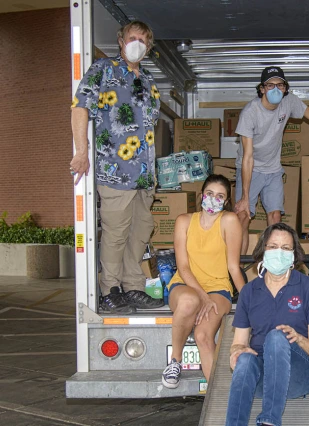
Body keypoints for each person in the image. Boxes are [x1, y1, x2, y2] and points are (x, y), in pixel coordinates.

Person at [70, 21, 163, 313]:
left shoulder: (149, 80)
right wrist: (82, 152)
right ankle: (109, 289)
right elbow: (79, 107)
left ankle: (133, 286)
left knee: (140, 231)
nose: (137, 43)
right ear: (121, 41)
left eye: (143, 40)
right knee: (116, 232)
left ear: (148, 48)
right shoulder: (103, 70)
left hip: (145, 176)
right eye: (132, 38)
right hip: (115, 170)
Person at [233, 66, 309, 254]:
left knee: (275, 217)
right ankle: (237, 266)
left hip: (273, 169)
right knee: (242, 216)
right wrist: (245, 197)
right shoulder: (250, 113)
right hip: (250, 169)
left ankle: (273, 266)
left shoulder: (290, 102)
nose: (276, 89)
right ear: (262, 88)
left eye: (280, 85)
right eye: (270, 85)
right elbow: (248, 157)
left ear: (286, 88)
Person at [225, 223, 309, 426]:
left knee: (276, 336)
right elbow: (238, 343)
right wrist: (236, 353)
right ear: (262, 250)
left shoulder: (308, 287)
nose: (279, 252)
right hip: (263, 379)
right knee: (245, 360)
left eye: (286, 248)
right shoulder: (249, 292)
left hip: (300, 374)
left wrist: (297, 338)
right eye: (272, 246)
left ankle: (269, 421)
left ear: (294, 255)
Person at [161, 174, 245, 388]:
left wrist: (249, 299)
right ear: (201, 195)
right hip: (185, 285)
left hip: (218, 288)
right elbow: (183, 267)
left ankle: (219, 396)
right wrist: (203, 297)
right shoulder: (184, 221)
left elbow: (233, 267)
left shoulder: (229, 220)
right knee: (189, 301)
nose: (213, 200)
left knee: (203, 335)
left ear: (226, 201)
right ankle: (175, 361)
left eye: (220, 196)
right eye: (209, 194)